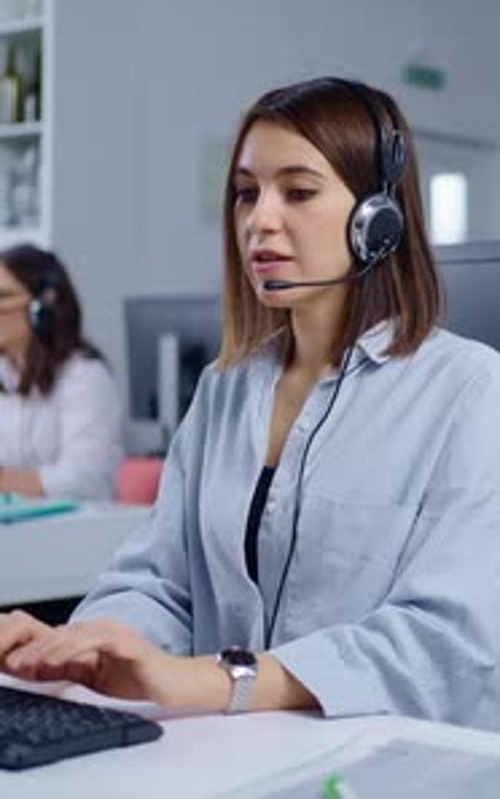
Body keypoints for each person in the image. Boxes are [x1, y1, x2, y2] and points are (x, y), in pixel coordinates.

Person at [1, 78, 500, 729]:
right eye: (245, 193)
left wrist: (215, 681)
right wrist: (88, 646)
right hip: (237, 754)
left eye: (297, 191)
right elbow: (158, 580)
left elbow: (448, 641)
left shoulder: (469, 391)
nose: (259, 219)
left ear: (377, 221)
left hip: (389, 762)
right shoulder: (225, 389)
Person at [0, 243, 122, 500]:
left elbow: (81, 479)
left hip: (76, 530)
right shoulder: (5, 373)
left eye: (3, 296)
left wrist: (7, 481)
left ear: (42, 306)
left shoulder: (85, 377)